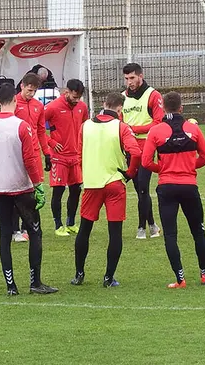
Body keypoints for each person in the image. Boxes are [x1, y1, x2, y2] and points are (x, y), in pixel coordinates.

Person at [0, 83, 57, 295]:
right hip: (22, 187)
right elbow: (30, 159)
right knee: (35, 232)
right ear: (15, 100)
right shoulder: (22, 126)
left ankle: (11, 286)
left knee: (5, 235)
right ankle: (35, 282)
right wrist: (38, 184)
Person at [142, 92, 205, 288]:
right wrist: (189, 166)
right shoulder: (193, 129)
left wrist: (163, 169)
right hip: (189, 186)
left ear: (163, 109)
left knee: (171, 234)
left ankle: (180, 279)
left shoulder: (156, 131)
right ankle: (204, 275)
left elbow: (146, 161)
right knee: (198, 231)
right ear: (181, 108)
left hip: (166, 187)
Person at [71, 93, 141, 288]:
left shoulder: (85, 126)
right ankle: (109, 278)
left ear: (103, 105)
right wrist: (129, 173)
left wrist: (87, 174)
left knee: (84, 229)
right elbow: (136, 152)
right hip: (114, 184)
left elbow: (79, 155)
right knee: (115, 232)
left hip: (92, 184)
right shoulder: (121, 127)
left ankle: (79, 274)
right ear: (120, 109)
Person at [121, 63, 164, 239]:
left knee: (144, 187)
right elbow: (119, 122)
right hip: (129, 148)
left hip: (147, 146)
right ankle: (152, 225)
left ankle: (141, 228)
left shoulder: (153, 95)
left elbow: (158, 122)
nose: (129, 82)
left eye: (132, 78)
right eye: (126, 79)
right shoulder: (122, 97)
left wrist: (134, 129)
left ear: (141, 76)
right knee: (140, 189)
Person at [44, 79, 89, 236]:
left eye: (79, 98)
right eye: (74, 97)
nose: (76, 101)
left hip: (76, 157)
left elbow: (86, 126)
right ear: (66, 92)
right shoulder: (53, 107)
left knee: (76, 190)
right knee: (58, 191)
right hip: (59, 157)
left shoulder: (82, 107)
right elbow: (38, 127)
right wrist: (51, 141)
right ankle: (58, 225)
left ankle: (71, 222)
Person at [12, 72, 54, 241]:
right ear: (22, 86)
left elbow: (41, 131)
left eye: (34, 91)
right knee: (15, 191)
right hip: (17, 154)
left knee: (31, 191)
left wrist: (47, 153)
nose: (31, 94)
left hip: (34, 154)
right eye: (29, 90)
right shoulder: (13, 103)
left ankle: (26, 227)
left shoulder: (38, 105)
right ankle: (14, 230)